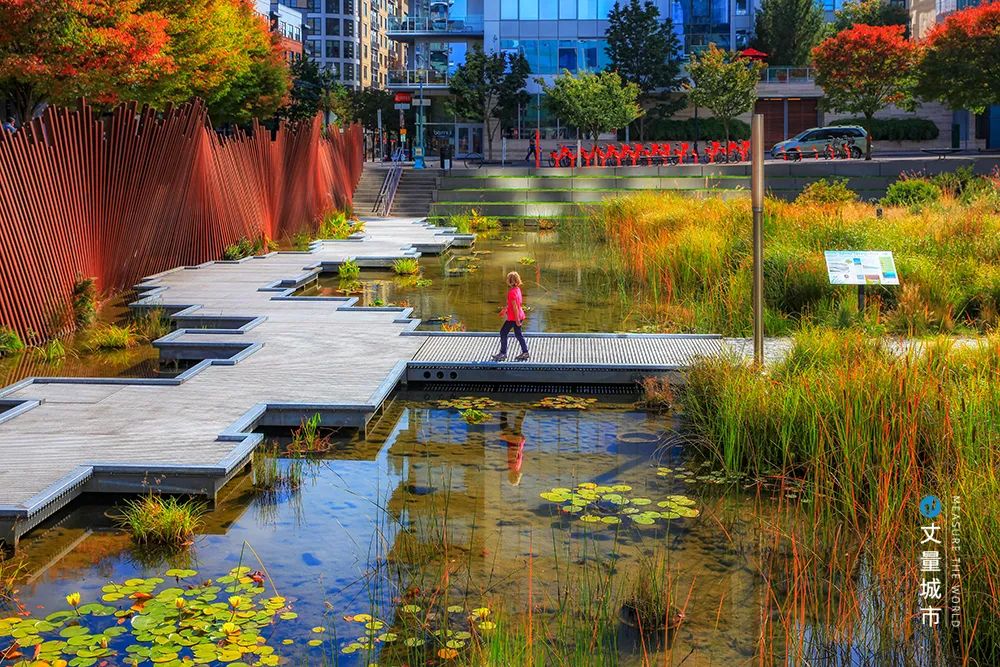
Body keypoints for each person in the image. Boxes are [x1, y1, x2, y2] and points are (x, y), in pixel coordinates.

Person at [492, 271, 529, 362]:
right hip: (519, 315)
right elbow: (512, 304)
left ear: (509, 281)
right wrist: (505, 310)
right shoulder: (517, 290)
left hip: (514, 318)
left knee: (503, 332)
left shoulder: (511, 292)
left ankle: (503, 353)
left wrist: (517, 320)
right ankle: (525, 352)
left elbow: (515, 307)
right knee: (518, 335)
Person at [499, 410, 526, 486]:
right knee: (503, 425)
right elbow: (514, 450)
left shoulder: (517, 468)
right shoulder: (513, 466)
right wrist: (504, 438)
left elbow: (519, 453)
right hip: (514, 440)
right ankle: (504, 408)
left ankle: (523, 410)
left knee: (517, 424)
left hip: (518, 441)